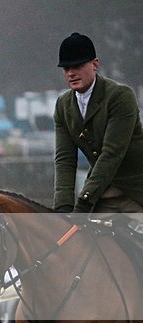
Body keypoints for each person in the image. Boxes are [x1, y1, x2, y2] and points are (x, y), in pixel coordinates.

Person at [53, 32, 143, 216]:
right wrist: (63, 207)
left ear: (94, 64)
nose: (71, 73)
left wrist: (84, 200)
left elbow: (111, 154)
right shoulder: (63, 105)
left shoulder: (120, 96)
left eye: (77, 66)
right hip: (102, 195)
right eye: (66, 68)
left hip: (135, 192)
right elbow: (65, 160)